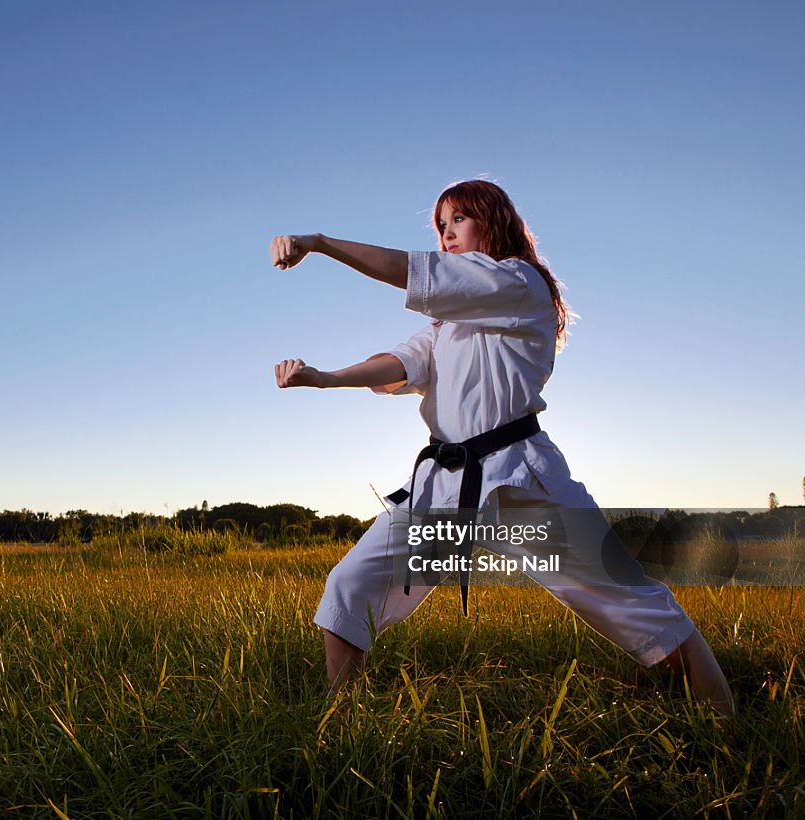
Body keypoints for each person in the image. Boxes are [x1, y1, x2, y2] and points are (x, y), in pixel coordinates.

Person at [270, 179, 734, 716]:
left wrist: (322, 243)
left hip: (520, 483)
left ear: (494, 221)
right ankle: (340, 719)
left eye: (458, 221)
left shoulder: (520, 283)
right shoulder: (447, 321)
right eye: (440, 227)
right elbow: (401, 363)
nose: (446, 235)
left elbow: (417, 271)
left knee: (625, 601)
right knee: (353, 583)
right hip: (445, 488)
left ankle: (724, 718)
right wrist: (323, 378)